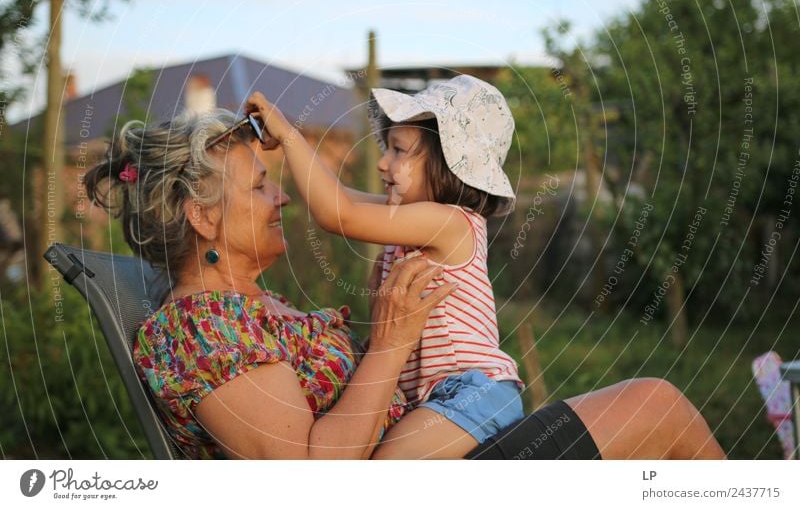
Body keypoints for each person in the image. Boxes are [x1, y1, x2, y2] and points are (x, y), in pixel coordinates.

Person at [84, 105, 726, 460]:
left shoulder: (252, 309)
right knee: (657, 407)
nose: (281, 198)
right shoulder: (204, 328)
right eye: (259, 186)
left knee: (657, 406)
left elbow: (339, 208)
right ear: (202, 217)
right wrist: (391, 345)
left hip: (454, 421)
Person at [242, 75, 525, 459]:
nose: (382, 161)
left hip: (472, 392)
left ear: (448, 162)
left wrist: (290, 136)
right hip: (435, 399)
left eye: (398, 150)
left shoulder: (449, 222)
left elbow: (338, 215)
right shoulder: (411, 216)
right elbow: (338, 198)